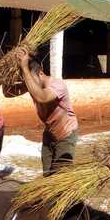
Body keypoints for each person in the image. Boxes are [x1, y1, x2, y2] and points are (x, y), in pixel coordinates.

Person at [14, 48, 79, 176]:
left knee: (61, 174)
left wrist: (25, 68)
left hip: (66, 133)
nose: (28, 84)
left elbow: (42, 97)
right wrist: (10, 70)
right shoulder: (31, 84)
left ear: (41, 73)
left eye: (30, 79)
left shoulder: (57, 85)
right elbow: (8, 93)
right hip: (50, 133)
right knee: (48, 173)